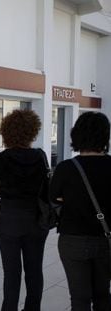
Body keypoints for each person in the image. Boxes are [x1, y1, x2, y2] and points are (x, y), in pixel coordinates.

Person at [0, 109, 49, 311]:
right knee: (34, 271)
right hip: (35, 220)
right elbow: (45, 187)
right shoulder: (40, 156)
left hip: (8, 219)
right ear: (33, 131)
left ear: (6, 132)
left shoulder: (0, 159)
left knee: (11, 272)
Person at [50, 112, 111, 311]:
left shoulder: (65, 168)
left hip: (72, 240)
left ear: (76, 136)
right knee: (103, 295)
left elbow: (53, 199)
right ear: (105, 137)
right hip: (106, 240)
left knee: (79, 298)